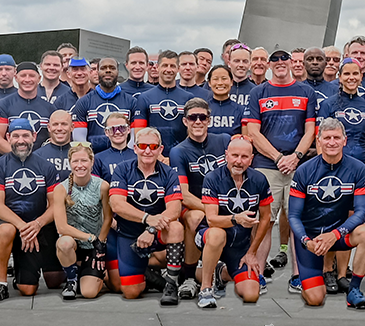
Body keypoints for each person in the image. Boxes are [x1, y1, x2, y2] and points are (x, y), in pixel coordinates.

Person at [245, 49, 319, 285]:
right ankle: (257, 271)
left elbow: (310, 131)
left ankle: (299, 274)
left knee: (299, 222)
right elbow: (253, 133)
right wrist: (278, 158)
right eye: (274, 60)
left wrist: (296, 157)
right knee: (264, 222)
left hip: (299, 167)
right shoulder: (258, 92)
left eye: (283, 59)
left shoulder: (306, 91)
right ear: (268, 64)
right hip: (267, 165)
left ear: (291, 63)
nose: (279, 63)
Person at [285, 123, 365, 308]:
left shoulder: (358, 169)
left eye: (336, 138)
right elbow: (293, 215)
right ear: (318, 141)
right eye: (327, 138)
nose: (332, 142)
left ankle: (354, 290)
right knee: (315, 299)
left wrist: (334, 234)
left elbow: (360, 212)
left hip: (338, 234)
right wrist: (305, 240)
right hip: (310, 238)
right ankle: (310, 279)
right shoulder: (304, 170)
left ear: (345, 140)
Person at [0, 118, 65, 301]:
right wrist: (24, 227)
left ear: (34, 137)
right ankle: (0, 283)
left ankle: (22, 271)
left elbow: (55, 205)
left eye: (25, 135)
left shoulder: (46, 166)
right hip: (4, 223)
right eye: (16, 136)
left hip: (34, 225)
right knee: (7, 229)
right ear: (8, 137)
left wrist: (37, 225)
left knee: (30, 289)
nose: (21, 140)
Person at [106, 126, 186, 302]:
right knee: (131, 292)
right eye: (142, 146)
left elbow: (174, 209)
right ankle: (148, 275)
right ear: (135, 148)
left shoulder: (169, 173)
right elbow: (117, 205)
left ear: (160, 149)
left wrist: (150, 229)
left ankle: (171, 285)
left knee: (177, 227)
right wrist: (147, 218)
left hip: (157, 231)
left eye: (153, 146)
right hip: (129, 233)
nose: (148, 151)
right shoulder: (122, 169)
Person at [196, 138, 272, 306]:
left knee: (251, 294)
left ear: (251, 159)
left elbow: (266, 217)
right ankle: (205, 288)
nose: (239, 161)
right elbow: (211, 219)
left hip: (239, 246)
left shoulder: (259, 179)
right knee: (217, 233)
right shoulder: (213, 177)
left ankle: (221, 272)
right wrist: (236, 219)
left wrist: (252, 252)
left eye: (244, 157)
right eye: (235, 155)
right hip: (209, 236)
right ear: (226, 156)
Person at [168, 98, 231, 299]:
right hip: (197, 204)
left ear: (209, 120)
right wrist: (212, 209)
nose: (197, 121)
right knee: (194, 217)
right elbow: (183, 194)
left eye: (202, 117)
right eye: (192, 117)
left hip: (226, 201)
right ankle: (188, 276)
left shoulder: (223, 139)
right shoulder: (178, 151)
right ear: (185, 121)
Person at [52, 142, 112, 299]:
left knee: (89, 293)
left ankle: (98, 274)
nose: (80, 165)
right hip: (74, 243)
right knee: (64, 243)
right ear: (69, 163)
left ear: (92, 162)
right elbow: (61, 227)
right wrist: (90, 238)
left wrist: (100, 243)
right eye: (75, 161)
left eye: (84, 161)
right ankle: (72, 279)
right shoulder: (61, 189)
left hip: (95, 245)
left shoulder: (103, 186)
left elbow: (108, 218)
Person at [75, 57, 141, 152]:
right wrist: (89, 156)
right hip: (94, 158)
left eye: (112, 68)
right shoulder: (83, 102)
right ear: (97, 71)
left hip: (124, 159)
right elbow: (79, 138)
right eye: (103, 68)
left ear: (118, 71)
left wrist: (128, 154)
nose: (108, 71)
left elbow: (136, 136)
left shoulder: (132, 102)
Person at [0, 60, 56, 152]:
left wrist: (37, 160)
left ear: (39, 78)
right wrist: (22, 157)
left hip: (40, 162)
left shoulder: (50, 108)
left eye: (32, 76)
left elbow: (55, 139)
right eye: (23, 76)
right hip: (10, 159)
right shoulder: (2, 105)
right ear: (16, 78)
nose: (27, 80)